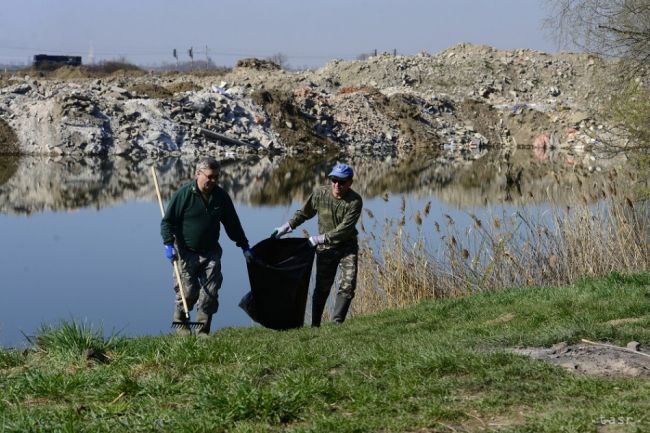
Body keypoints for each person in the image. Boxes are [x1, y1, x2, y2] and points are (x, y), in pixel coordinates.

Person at [160, 157, 253, 336]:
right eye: (210, 176)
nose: (213, 181)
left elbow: (233, 224)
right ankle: (182, 326)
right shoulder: (184, 194)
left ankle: (203, 331)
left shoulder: (221, 197)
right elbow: (167, 223)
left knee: (210, 294)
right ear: (198, 174)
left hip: (211, 252)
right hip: (186, 252)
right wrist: (168, 244)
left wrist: (244, 246)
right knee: (188, 293)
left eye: (216, 177)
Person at [271, 163, 363, 327]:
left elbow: (344, 230)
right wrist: (287, 227)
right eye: (334, 180)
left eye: (341, 182)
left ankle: (336, 323)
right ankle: (315, 326)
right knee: (322, 288)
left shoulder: (355, 201)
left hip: (347, 247)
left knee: (348, 284)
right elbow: (304, 213)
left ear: (350, 182)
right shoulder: (321, 193)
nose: (337, 185)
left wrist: (318, 239)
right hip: (326, 250)